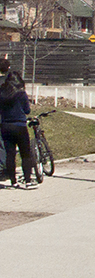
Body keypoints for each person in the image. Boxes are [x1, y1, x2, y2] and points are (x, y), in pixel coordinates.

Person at [0, 58, 37, 189]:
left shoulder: (2, 93)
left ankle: (13, 181)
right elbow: (27, 110)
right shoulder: (21, 94)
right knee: (25, 154)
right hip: (19, 125)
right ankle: (27, 181)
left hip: (5, 125)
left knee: (10, 154)